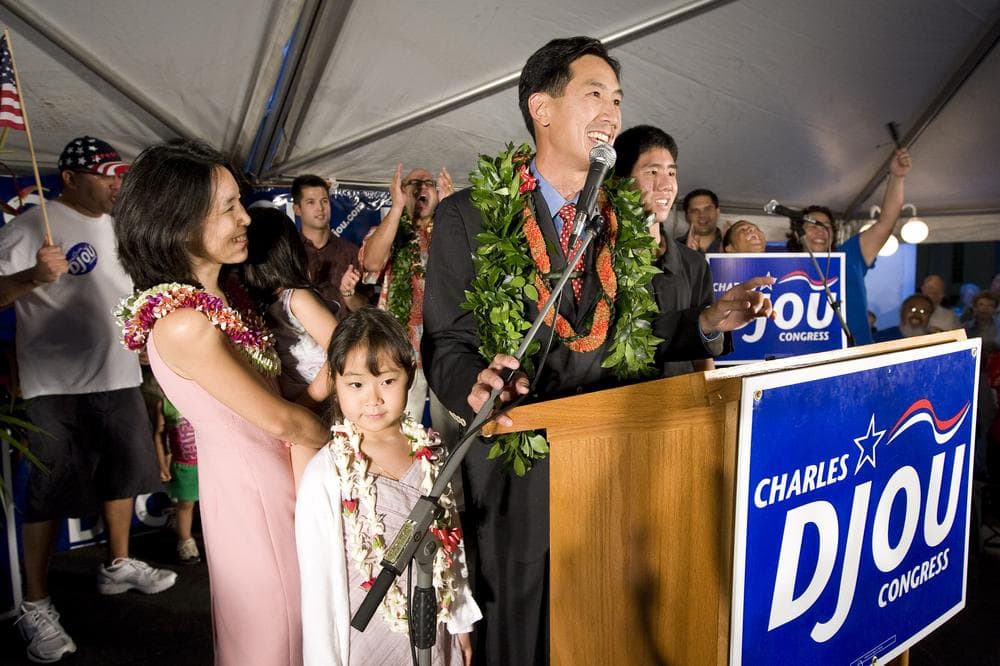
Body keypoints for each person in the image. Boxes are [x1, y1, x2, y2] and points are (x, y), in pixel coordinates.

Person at [421, 37, 773, 664]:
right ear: (542, 108)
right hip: (517, 469)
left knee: (606, 631)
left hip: (612, 464)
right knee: (522, 639)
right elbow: (447, 341)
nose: (612, 112)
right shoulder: (467, 216)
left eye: (617, 99)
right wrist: (473, 382)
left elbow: (635, 330)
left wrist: (708, 320)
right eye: (595, 95)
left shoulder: (621, 222)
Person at [114, 138, 328, 666]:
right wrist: (358, 450)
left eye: (240, 202)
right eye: (228, 207)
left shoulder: (225, 301)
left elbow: (277, 400)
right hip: (256, 496)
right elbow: (284, 422)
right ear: (178, 222)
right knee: (277, 638)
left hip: (279, 477)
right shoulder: (184, 323)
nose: (245, 218)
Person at [0, 136, 175, 663]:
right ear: (71, 178)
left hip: (118, 376)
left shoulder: (121, 228)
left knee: (122, 476)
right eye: (103, 175)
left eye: (118, 174)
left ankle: (117, 564)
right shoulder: (31, 226)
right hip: (55, 385)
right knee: (48, 494)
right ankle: (36, 602)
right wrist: (34, 276)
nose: (115, 184)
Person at [295, 307, 480, 665]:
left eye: (387, 381)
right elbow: (317, 583)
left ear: (409, 375)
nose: (373, 399)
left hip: (434, 616)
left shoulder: (430, 452)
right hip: (366, 631)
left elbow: (450, 540)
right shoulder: (326, 472)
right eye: (356, 384)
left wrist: (460, 621)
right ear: (334, 381)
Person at [242, 205, 339, 486]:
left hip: (321, 408)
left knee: (312, 493)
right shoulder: (263, 304)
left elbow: (343, 352)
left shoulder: (297, 298)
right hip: (298, 411)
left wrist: (307, 402)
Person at [613, 124, 717, 375]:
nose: (666, 184)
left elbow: (702, 350)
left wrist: (711, 391)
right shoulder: (604, 257)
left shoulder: (694, 264)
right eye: (652, 172)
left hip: (682, 394)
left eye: (671, 173)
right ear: (621, 182)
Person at [784, 148, 912, 345]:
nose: (820, 231)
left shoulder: (849, 255)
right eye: (812, 226)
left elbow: (886, 224)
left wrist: (897, 177)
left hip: (857, 354)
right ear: (796, 233)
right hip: (809, 356)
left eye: (826, 226)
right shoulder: (783, 267)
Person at [359, 164, 455, 425]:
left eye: (428, 184)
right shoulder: (388, 231)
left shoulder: (450, 228)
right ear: (401, 192)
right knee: (403, 426)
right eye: (413, 184)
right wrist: (397, 208)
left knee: (450, 429)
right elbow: (371, 262)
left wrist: (450, 209)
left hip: (446, 346)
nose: (421, 188)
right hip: (401, 349)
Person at [292, 174, 370, 314]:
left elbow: (365, 309)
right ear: (297, 209)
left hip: (343, 328)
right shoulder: (289, 252)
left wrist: (349, 295)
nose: (320, 208)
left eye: (324, 201)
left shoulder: (350, 252)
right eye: (311, 202)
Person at [678, 187, 723, 253]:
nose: (702, 215)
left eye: (707, 209)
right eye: (695, 211)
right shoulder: (674, 248)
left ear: (717, 212)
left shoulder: (732, 246)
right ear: (687, 216)